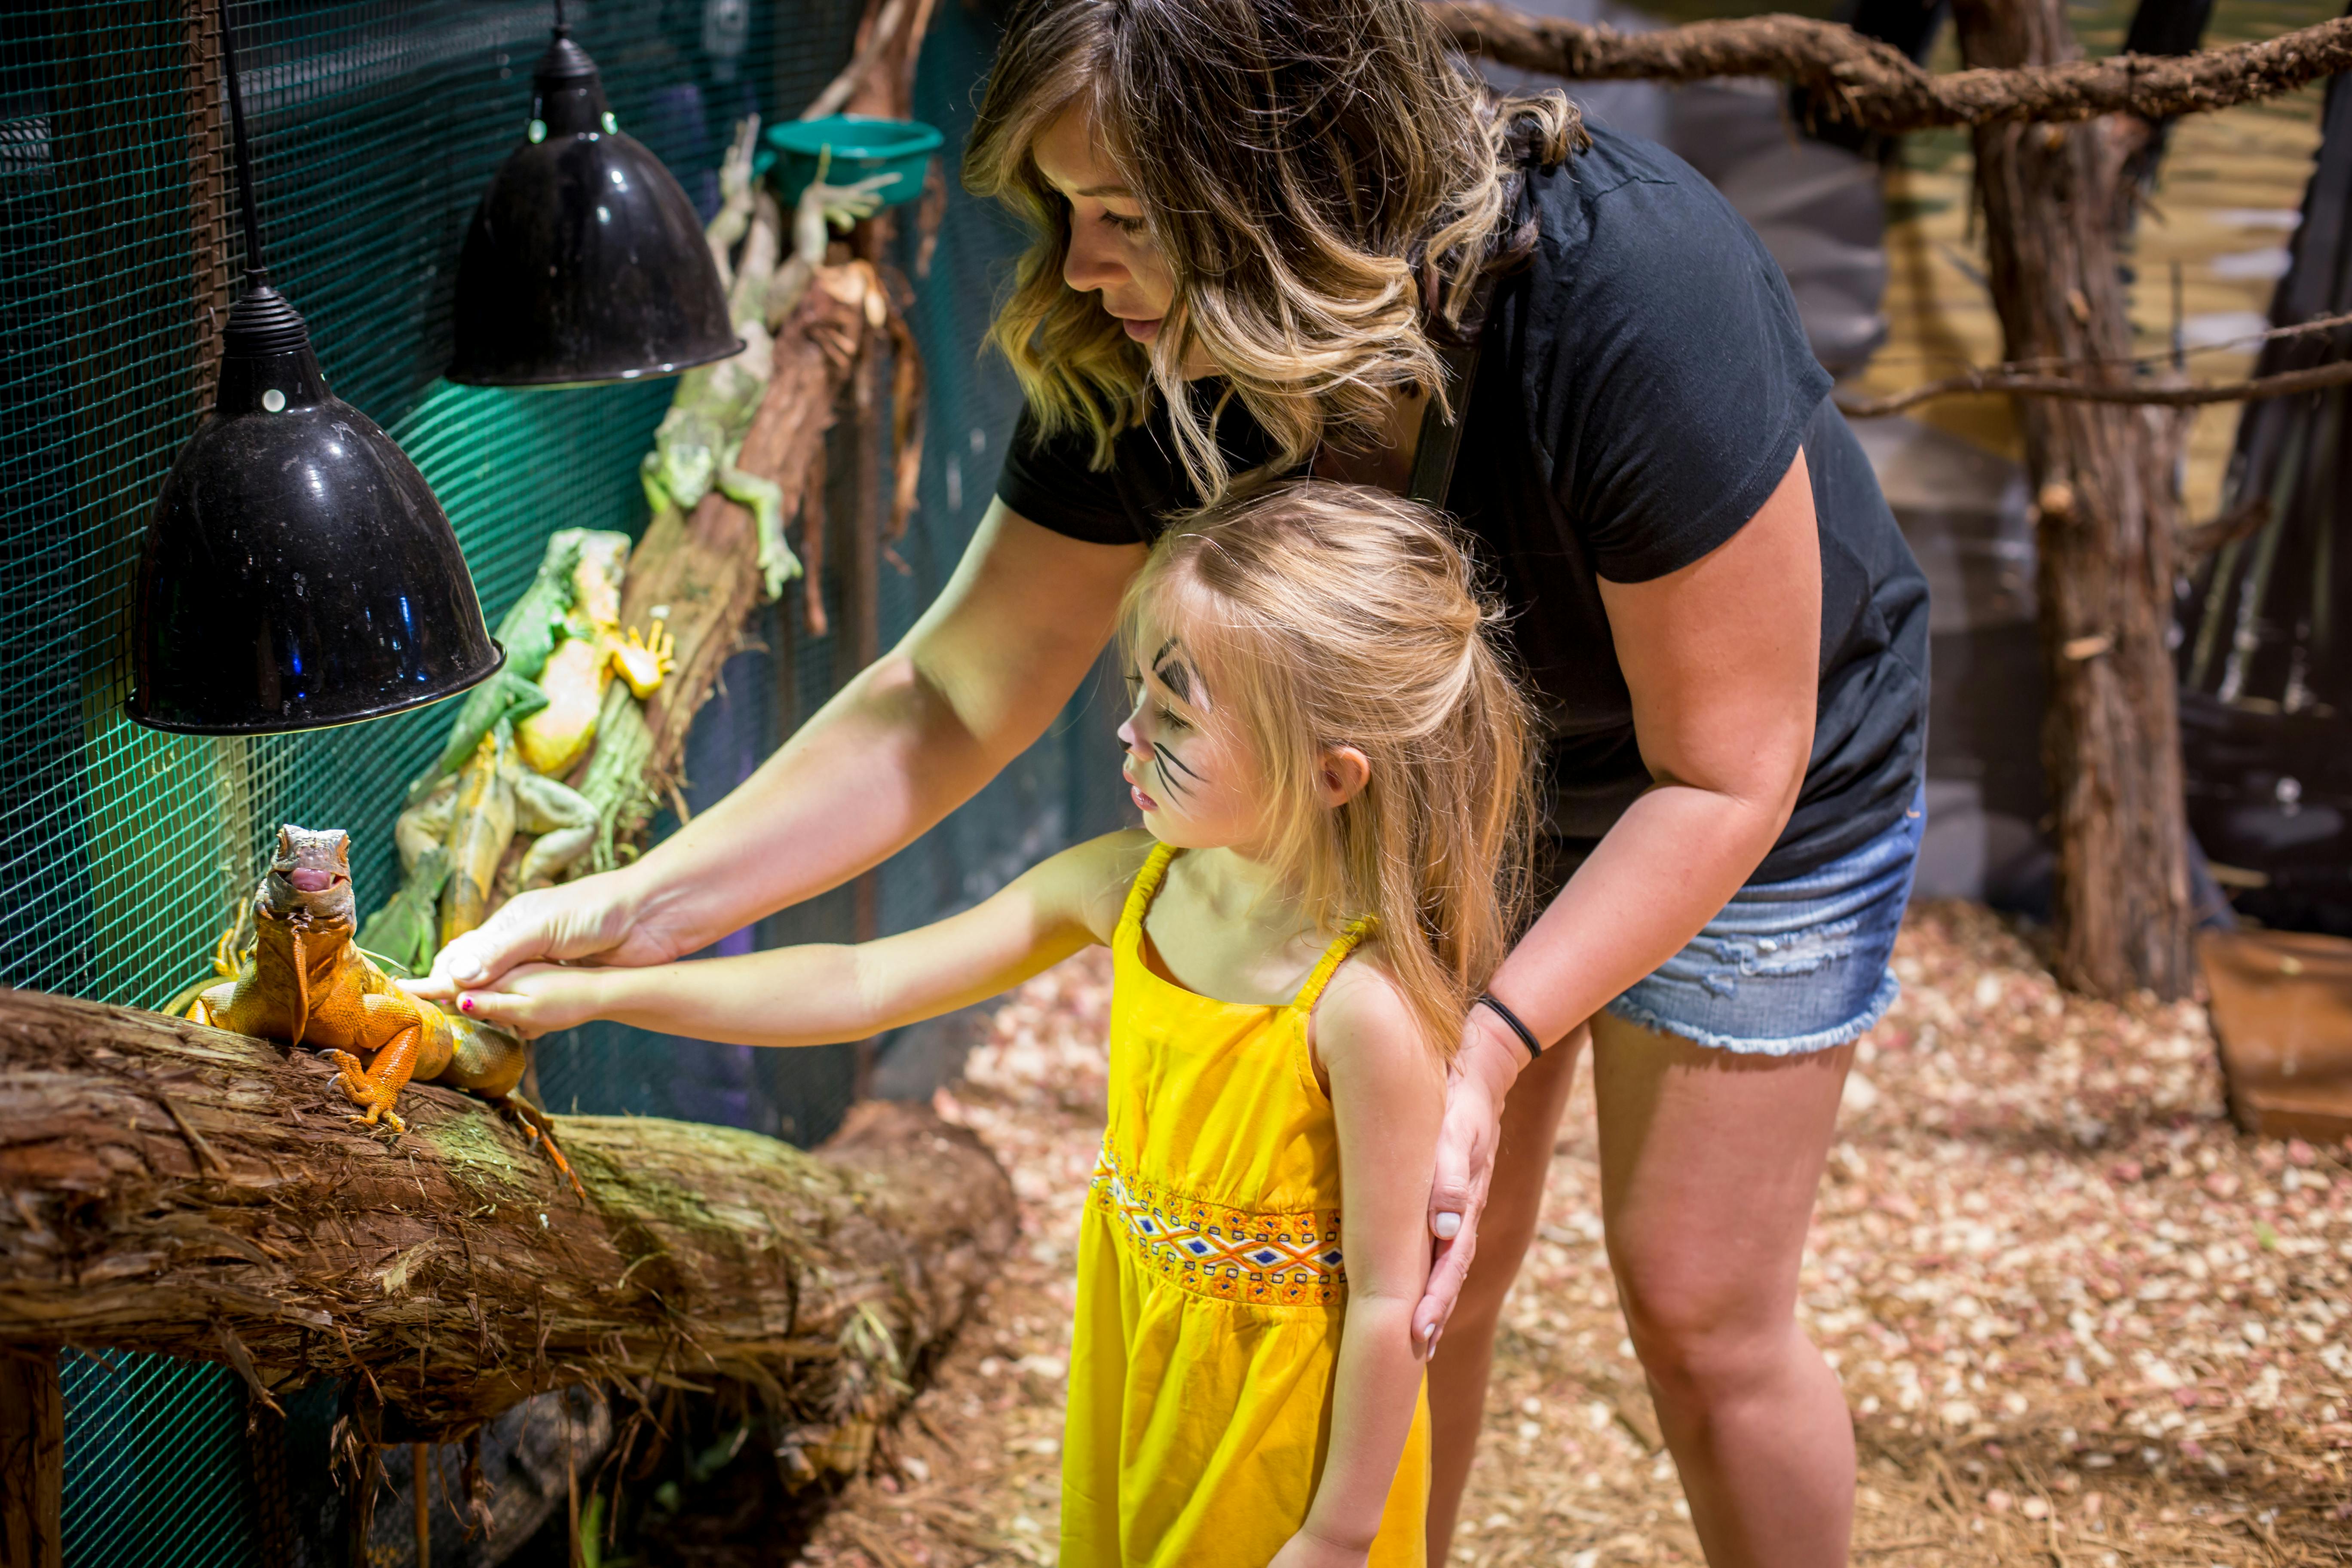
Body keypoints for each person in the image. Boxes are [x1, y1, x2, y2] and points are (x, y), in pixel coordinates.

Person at [418, 0, 1931, 1558]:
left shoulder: (1629, 289)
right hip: (1417, 790)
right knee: (1429, 1279)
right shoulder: (1143, 352)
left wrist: (1488, 1044)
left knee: (1697, 1304)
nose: (1079, 266)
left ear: (1290, 198)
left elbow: (1724, 767)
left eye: (1127, 216)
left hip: (1734, 790)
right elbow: (950, 692)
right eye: (1067, 211)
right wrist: (634, 905)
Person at [451, 486, 1537, 1568]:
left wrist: (1342, 1535)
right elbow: (866, 983)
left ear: (1330, 774)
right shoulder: (1128, 887)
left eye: (1175, 712)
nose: (1127, 730)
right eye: (1137, 693)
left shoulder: (1365, 1011)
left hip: (1281, 1437)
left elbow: (1398, 1296)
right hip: (1139, 1368)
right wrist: (601, 989)